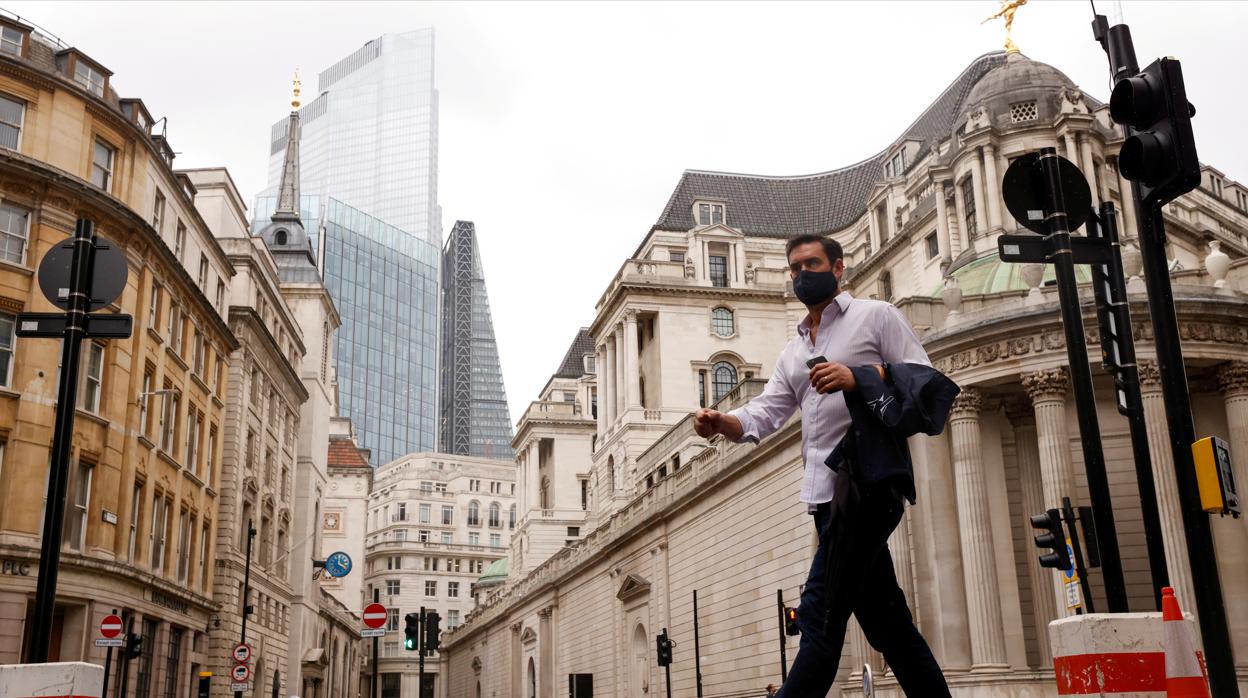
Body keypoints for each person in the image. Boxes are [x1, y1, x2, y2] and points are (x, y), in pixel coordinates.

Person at [693, 234, 953, 697]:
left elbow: (927, 383)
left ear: (838, 269)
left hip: (868, 488)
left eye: (811, 264)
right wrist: (721, 423)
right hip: (825, 500)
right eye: (794, 268)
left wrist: (860, 377)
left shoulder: (876, 317)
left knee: (819, 614)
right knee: (888, 625)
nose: (801, 274)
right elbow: (765, 414)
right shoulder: (793, 352)